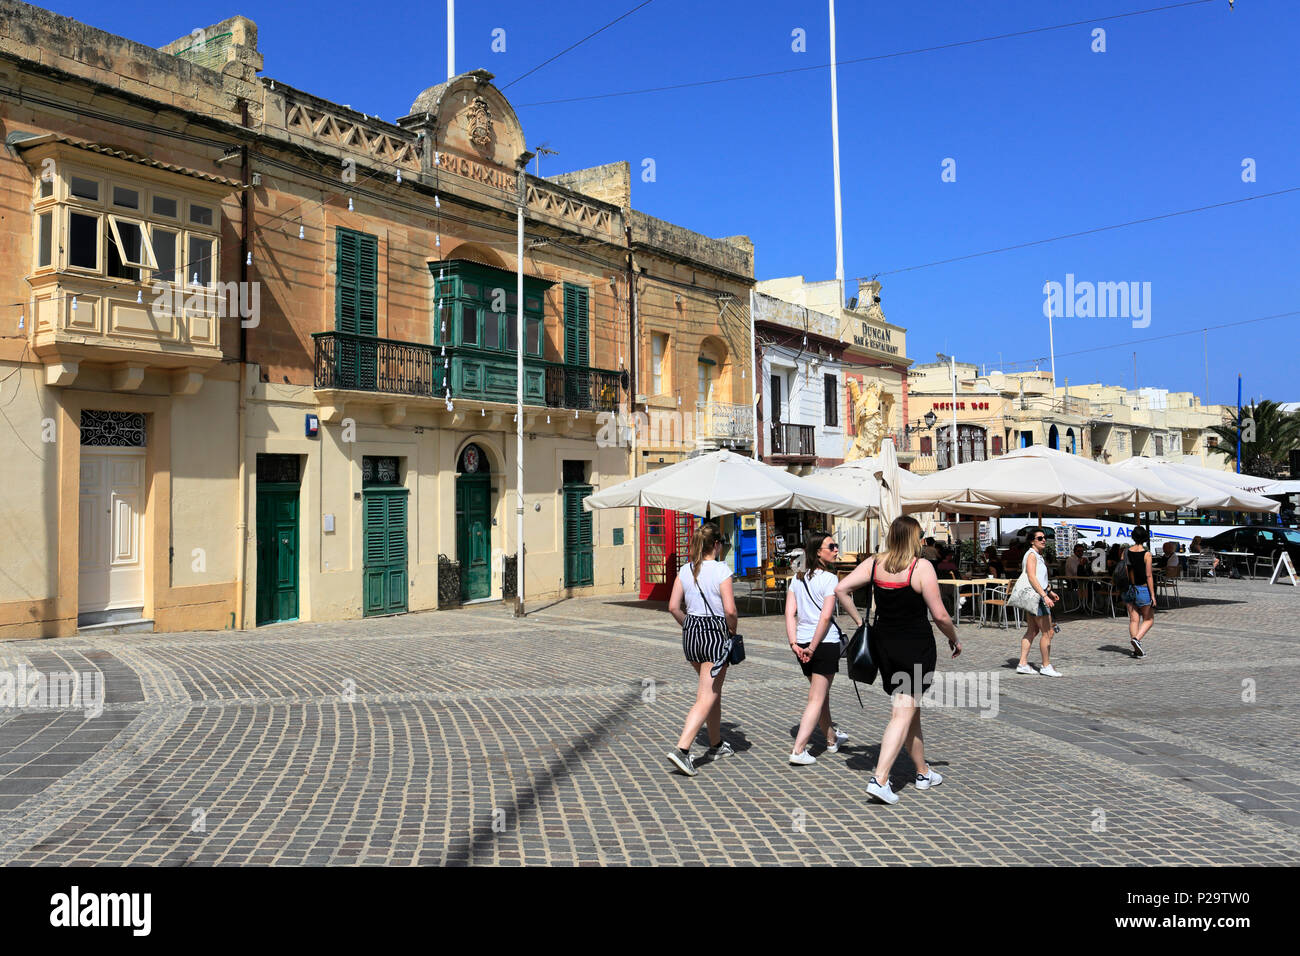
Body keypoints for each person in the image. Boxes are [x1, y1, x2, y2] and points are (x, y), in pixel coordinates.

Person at [833, 516, 961, 806]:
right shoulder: (921, 567)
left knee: (909, 708)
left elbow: (841, 589)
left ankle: (922, 772)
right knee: (902, 710)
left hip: (885, 643)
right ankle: (879, 779)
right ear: (914, 538)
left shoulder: (876, 563)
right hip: (915, 644)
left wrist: (859, 621)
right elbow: (940, 614)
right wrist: (954, 637)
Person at [665, 522, 739, 776]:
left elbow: (674, 606)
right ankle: (682, 750)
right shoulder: (721, 570)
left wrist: (689, 625)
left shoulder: (686, 570)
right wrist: (732, 630)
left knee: (710, 688)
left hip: (692, 633)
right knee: (707, 694)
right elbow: (730, 610)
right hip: (715, 634)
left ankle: (716, 743)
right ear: (716, 545)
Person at [785, 531, 849, 765]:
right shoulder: (830, 579)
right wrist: (812, 647)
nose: (835, 550)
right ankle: (799, 749)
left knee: (821, 695)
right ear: (817, 552)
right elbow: (825, 617)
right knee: (816, 698)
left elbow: (790, 613)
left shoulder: (797, 578)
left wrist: (794, 643)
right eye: (831, 546)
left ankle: (831, 739)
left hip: (802, 642)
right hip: (822, 643)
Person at [1015, 527, 1063, 677]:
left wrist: (1049, 591)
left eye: (1044, 538)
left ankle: (1022, 663)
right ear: (1032, 541)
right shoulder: (1031, 555)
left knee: (1032, 630)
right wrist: (1044, 596)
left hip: (1037, 596)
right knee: (1047, 632)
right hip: (1037, 598)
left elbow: (1040, 579)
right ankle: (1046, 665)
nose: (1044, 540)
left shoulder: (1036, 555)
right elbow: (1032, 577)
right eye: (1040, 538)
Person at [1124, 526, 1157, 658]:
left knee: (1133, 619)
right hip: (1143, 589)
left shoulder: (1126, 552)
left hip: (1130, 588)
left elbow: (1127, 571)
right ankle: (1137, 639)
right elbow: (1149, 575)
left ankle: (1136, 648)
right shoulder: (1146, 554)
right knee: (1149, 619)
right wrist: (1153, 595)